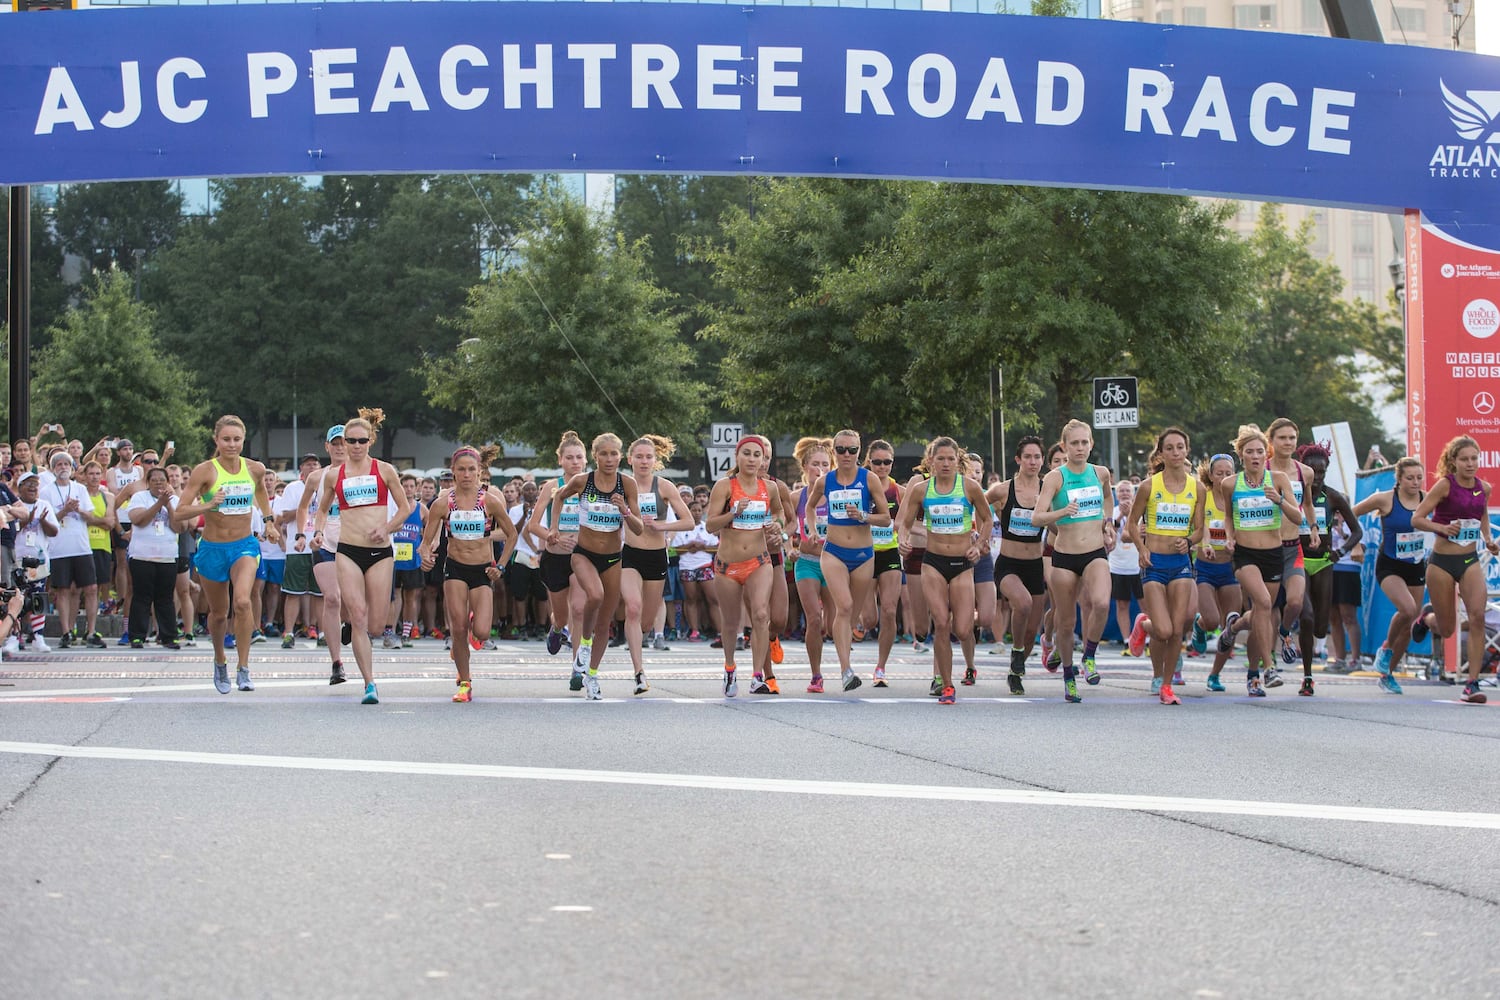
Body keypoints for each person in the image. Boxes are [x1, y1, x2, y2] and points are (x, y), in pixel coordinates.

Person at [177, 415, 280, 694]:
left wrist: (269, 520)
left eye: (236, 439)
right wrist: (208, 505)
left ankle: (243, 667)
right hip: (212, 549)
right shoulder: (205, 471)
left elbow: (260, 491)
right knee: (219, 614)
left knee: (244, 602)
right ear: (216, 440)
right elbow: (180, 511)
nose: (231, 445)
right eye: (226, 439)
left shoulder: (255, 469)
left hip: (244, 546)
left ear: (243, 440)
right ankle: (220, 660)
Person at [547, 432, 644, 700]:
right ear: (596, 456)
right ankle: (584, 645)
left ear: (621, 456)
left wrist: (624, 510)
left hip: (613, 558)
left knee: (605, 622)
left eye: (614, 454)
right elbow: (558, 497)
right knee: (595, 595)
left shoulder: (627, 484)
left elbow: (639, 526)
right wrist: (553, 527)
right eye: (604, 454)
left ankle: (591, 675)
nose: (609, 459)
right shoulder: (582, 481)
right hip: (583, 554)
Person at [325, 409, 412, 706]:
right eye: (350, 440)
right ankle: (369, 683)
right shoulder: (334, 475)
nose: (356, 445)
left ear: (370, 441)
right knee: (360, 616)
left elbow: (404, 509)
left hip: (379, 552)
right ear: (344, 442)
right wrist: (314, 532)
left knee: (375, 625)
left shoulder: (384, 470)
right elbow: (321, 509)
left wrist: (386, 527)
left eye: (362, 440)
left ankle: (353, 624)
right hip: (347, 550)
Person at [897, 437, 992, 704]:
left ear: (957, 461)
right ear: (931, 462)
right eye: (941, 459)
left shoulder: (970, 487)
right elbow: (904, 522)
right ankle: (947, 685)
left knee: (962, 629)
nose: (946, 463)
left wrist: (980, 544)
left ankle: (963, 663)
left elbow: (986, 519)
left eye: (951, 459)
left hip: (962, 564)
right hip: (933, 563)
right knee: (940, 622)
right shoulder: (921, 490)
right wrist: (903, 541)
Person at [420, 445, 515, 702]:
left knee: (482, 632)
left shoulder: (490, 501)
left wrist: (501, 565)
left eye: (471, 469)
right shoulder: (443, 504)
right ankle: (465, 682)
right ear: (453, 472)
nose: (466, 474)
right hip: (455, 568)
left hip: (482, 569)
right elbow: (426, 541)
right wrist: (425, 555)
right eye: (461, 470)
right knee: (458, 629)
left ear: (480, 472)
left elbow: (512, 533)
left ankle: (468, 634)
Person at [1409, 436, 1499, 704]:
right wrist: (1442, 528)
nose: (1470, 464)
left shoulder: (1484, 487)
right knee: (1447, 628)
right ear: (1454, 461)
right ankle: (1426, 619)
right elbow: (1417, 518)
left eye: (1474, 458)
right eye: (1464, 459)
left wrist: (1488, 540)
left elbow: (1481, 515)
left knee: (1477, 617)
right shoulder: (1445, 486)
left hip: (1469, 560)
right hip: (1441, 563)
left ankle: (1471, 683)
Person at [1031, 420, 1116, 703]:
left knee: (1102, 603)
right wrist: (1062, 512)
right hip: (1064, 556)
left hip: (1094, 552)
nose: (1080, 448)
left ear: (1091, 444)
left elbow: (1107, 498)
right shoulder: (1056, 478)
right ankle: (1068, 677)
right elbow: (1036, 517)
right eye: (1074, 443)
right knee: (1066, 623)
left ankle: (1089, 655)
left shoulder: (1101, 473)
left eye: (1084, 442)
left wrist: (1108, 524)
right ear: (1065, 447)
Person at [1215, 424, 1302, 697]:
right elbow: (1228, 516)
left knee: (1260, 616)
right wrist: (1229, 537)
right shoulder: (1231, 484)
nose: (1255, 456)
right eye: (1249, 452)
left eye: (1260, 451)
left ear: (1267, 453)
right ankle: (1268, 668)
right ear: (1241, 455)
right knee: (1264, 604)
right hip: (1245, 555)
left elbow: (1298, 518)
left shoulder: (1277, 480)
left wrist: (1279, 501)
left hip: (1273, 554)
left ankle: (1237, 635)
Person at [802, 429, 891, 694]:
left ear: (859, 452)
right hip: (834, 552)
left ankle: (844, 656)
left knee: (852, 616)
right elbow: (809, 506)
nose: (846, 455)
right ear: (835, 452)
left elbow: (886, 518)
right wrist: (812, 529)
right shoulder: (826, 480)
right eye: (841, 450)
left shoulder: (870, 479)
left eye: (852, 450)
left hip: (864, 554)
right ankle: (845, 670)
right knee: (845, 605)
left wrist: (864, 515)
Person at [702, 435, 784, 698]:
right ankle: (729, 668)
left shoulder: (768, 488)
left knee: (761, 615)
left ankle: (758, 676)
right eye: (746, 454)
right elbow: (710, 524)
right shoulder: (725, 486)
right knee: (731, 622)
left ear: (763, 460)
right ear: (737, 457)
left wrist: (777, 526)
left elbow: (779, 513)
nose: (751, 459)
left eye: (756, 455)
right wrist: (733, 513)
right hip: (728, 565)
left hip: (759, 561)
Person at [1125, 427, 1201, 706]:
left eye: (1180, 447)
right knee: (1165, 630)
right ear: (1161, 453)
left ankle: (1167, 686)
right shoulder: (1149, 486)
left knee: (1178, 628)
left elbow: (1200, 529)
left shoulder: (1197, 487)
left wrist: (1190, 541)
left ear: (1187, 450)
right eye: (1169, 448)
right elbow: (1132, 524)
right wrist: (1142, 548)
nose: (1175, 452)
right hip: (1154, 563)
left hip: (1180, 564)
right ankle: (1144, 625)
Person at [620, 435, 695, 695]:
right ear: (629, 459)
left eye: (648, 457)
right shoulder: (621, 486)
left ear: (655, 461)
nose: (643, 461)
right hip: (629, 554)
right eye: (638, 457)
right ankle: (639, 672)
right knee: (632, 607)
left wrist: (661, 526)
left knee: (646, 622)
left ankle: (641, 639)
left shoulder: (663, 487)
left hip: (656, 556)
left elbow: (688, 522)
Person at [1351, 456, 1429, 693]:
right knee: (1408, 610)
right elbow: (1350, 513)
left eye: (1419, 477)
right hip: (1390, 565)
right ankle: (1385, 649)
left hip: (1416, 564)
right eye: (1410, 478)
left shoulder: (1427, 499)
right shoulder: (1385, 499)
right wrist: (1356, 544)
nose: (1415, 482)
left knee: (1408, 624)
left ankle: (1387, 673)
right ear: (1399, 479)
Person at [1292, 444, 1361, 696]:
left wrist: (1340, 553)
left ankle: (1313, 645)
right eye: (1312, 471)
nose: (1317, 476)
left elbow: (1357, 531)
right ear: (1303, 470)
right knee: (1307, 617)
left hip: (1323, 562)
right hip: (1299, 560)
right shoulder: (1294, 493)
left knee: (1321, 625)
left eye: (1322, 472)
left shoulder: (1333, 497)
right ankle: (1307, 677)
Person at [986, 436, 1048, 696]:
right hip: (1008, 563)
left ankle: (1015, 670)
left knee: (1033, 628)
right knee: (1022, 603)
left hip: (1035, 564)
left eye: (1037, 457)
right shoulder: (1003, 490)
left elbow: (1058, 524)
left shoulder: (1048, 490)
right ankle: (1017, 651)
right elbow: (976, 504)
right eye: (1028, 457)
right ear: (1018, 460)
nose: (1033, 462)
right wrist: (978, 535)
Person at [526, 431, 587, 670]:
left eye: (578, 457)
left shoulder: (592, 485)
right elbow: (533, 525)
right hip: (556, 558)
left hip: (583, 556)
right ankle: (557, 628)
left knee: (579, 609)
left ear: (585, 460)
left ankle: (577, 669)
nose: (574, 462)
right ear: (560, 460)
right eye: (569, 457)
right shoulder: (553, 487)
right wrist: (553, 536)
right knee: (562, 616)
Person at [1267, 417, 1319, 687]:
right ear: (1271, 442)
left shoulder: (1304, 472)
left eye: (1292, 438)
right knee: (1268, 607)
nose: (1288, 443)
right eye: (1282, 438)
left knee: (1296, 603)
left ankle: (1285, 633)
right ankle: (1268, 662)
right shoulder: (1261, 470)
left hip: (1293, 547)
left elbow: (1307, 504)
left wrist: (1313, 528)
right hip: (1266, 549)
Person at [297, 427, 351, 681]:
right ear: (327, 447)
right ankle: (336, 663)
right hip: (325, 543)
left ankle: (350, 623)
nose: (340, 447)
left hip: (355, 543)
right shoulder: (317, 477)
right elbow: (304, 506)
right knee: (332, 598)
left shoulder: (362, 475)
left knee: (352, 601)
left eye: (344, 442)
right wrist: (301, 534)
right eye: (335, 443)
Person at [44, 451, 103, 648]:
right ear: (53, 469)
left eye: (66, 464)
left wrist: (77, 510)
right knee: (63, 590)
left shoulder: (80, 488)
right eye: (58, 464)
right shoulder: (47, 491)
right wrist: (65, 510)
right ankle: (66, 632)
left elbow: (90, 516)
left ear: (72, 468)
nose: (62, 467)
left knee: (91, 588)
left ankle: (91, 631)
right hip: (59, 548)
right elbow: (48, 520)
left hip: (82, 546)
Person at [1195, 454, 1243, 693]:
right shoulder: (1204, 496)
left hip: (1230, 568)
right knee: (1212, 620)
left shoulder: (1238, 498)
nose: (1224, 477)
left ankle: (1214, 675)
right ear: (1210, 475)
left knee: (1230, 624)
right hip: (1205, 567)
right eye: (1219, 473)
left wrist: (1234, 541)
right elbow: (1201, 526)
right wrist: (1204, 544)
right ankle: (1200, 625)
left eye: (1229, 473)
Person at [791, 437, 833, 692]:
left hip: (834, 563)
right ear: (805, 466)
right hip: (806, 562)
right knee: (814, 619)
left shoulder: (838, 494)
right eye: (816, 464)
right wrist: (790, 548)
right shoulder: (797, 496)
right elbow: (785, 526)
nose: (821, 469)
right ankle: (816, 675)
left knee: (831, 624)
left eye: (826, 465)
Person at [125, 467, 182, 649]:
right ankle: (137, 636)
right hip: (142, 556)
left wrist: (168, 505)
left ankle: (168, 636)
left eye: (162, 480)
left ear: (168, 482)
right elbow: (138, 520)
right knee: (141, 597)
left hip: (167, 556)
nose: (158, 483)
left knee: (165, 598)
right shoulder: (139, 497)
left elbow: (179, 527)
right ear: (148, 482)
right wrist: (159, 504)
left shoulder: (175, 500)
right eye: (154, 480)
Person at [864, 440, 905, 688]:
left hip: (890, 552)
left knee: (889, 610)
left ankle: (881, 667)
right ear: (869, 462)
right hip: (865, 554)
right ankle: (861, 625)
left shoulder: (899, 491)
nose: (882, 467)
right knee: (869, 620)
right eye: (877, 462)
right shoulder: (862, 488)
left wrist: (906, 538)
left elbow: (905, 522)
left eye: (887, 462)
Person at [12, 472, 59, 652]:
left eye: (35, 484)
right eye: (28, 484)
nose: (32, 488)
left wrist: (42, 521)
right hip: (16, 560)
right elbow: (8, 531)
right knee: (17, 598)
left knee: (39, 597)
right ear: (20, 486)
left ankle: (38, 636)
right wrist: (26, 521)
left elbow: (54, 532)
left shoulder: (44, 505)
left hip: (39, 560)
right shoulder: (14, 506)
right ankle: (15, 637)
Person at [674, 499, 720, 641]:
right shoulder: (682, 527)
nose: (697, 513)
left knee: (713, 599)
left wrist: (702, 547)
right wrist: (689, 545)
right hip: (687, 567)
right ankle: (694, 630)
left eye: (699, 510)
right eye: (694, 510)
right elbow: (676, 550)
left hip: (704, 565)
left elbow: (717, 548)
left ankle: (720, 631)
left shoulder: (707, 528)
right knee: (691, 599)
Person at [1327, 512, 1364, 674]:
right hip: (1329, 569)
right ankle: (1339, 658)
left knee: (1348, 616)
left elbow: (1363, 547)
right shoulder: (1326, 523)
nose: (1337, 515)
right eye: (1335, 511)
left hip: (1348, 570)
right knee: (1333, 617)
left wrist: (1344, 534)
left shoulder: (1355, 525)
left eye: (1340, 511)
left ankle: (1355, 658)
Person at [1109, 479, 1142, 655]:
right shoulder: (1113, 513)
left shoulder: (1140, 513)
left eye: (1127, 491)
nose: (1124, 494)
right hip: (1118, 566)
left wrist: (1130, 515)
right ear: (1116, 494)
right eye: (1121, 491)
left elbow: (1134, 534)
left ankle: (1149, 640)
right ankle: (1126, 640)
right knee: (1122, 605)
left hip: (1138, 565)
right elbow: (1113, 533)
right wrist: (1121, 515)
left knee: (1147, 604)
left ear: (1133, 494)